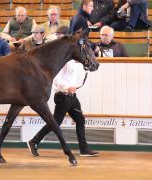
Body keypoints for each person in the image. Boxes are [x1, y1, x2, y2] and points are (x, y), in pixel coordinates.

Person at [27, 22, 98, 157]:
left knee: (80, 120)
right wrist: (67, 87)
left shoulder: (70, 55)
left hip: (72, 96)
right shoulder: (59, 57)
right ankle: (34, 141)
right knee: (55, 122)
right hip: (63, 95)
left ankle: (84, 149)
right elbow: (55, 77)